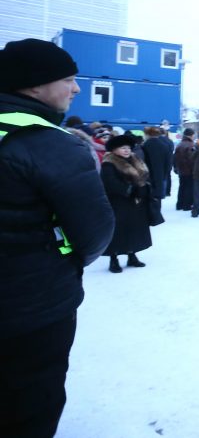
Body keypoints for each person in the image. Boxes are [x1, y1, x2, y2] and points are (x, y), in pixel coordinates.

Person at [0, 38, 114, 436]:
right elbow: (95, 233)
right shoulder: (48, 143)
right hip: (29, 309)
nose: (77, 88)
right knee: (27, 408)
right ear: (33, 86)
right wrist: (63, 261)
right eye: (68, 79)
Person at [100, 133, 154, 273]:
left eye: (128, 148)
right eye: (123, 148)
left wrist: (144, 188)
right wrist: (130, 190)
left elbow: (144, 177)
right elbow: (110, 183)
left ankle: (132, 255)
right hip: (118, 203)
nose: (127, 150)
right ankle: (114, 259)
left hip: (136, 203)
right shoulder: (109, 163)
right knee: (117, 232)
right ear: (114, 150)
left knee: (134, 230)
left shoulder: (135, 160)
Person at [173, 128, 196, 211]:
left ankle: (179, 204)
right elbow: (191, 159)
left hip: (181, 169)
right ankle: (187, 205)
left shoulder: (179, 144)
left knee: (182, 186)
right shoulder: (191, 145)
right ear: (191, 135)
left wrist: (175, 167)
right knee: (189, 187)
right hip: (189, 170)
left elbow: (175, 157)